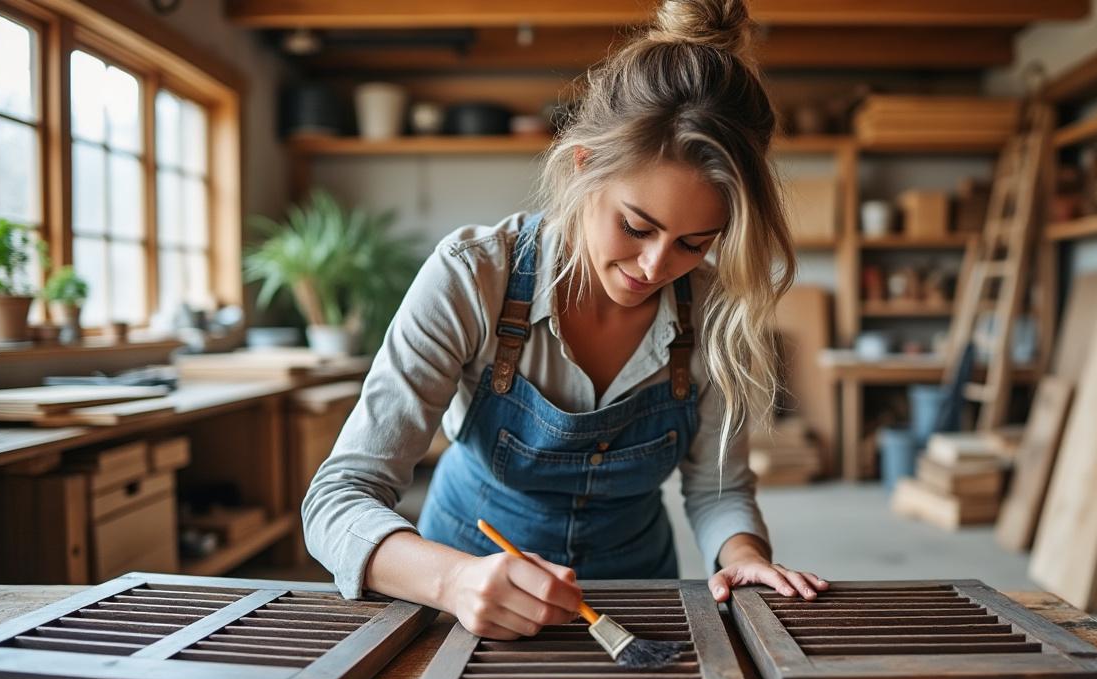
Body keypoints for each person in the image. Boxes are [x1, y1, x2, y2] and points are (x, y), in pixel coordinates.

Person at [302, 0, 827, 640]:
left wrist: (744, 559)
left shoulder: (715, 305)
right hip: (465, 591)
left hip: (637, 591)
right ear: (583, 167)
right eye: (637, 226)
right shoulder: (473, 277)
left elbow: (719, 490)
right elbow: (337, 501)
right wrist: (452, 580)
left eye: (695, 243)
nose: (658, 266)